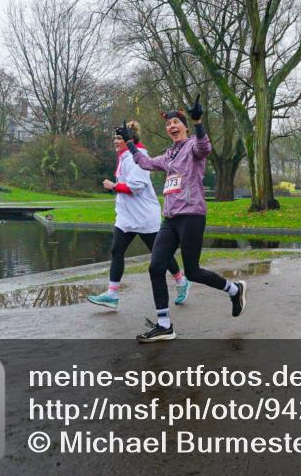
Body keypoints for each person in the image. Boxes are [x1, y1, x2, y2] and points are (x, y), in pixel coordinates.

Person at [116, 96, 245, 343]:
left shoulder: (193, 148)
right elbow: (145, 162)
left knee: (192, 271)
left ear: (184, 126)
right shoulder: (169, 155)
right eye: (168, 124)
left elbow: (204, 147)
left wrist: (198, 122)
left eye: (176, 122)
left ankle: (234, 289)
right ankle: (164, 325)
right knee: (156, 266)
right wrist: (131, 143)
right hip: (170, 219)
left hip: (192, 216)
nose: (171, 126)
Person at [88, 121, 191, 310]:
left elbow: (136, 186)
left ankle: (181, 281)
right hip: (126, 217)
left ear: (130, 139)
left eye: (119, 138)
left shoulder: (139, 156)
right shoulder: (124, 156)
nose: (115, 141)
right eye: (115, 137)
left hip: (144, 217)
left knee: (160, 254)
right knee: (116, 251)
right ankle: (112, 294)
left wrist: (114, 187)